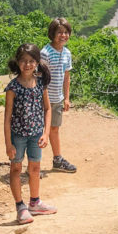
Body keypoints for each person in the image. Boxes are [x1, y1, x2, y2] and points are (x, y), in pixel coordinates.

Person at [4, 43, 57, 223]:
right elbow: (7, 118)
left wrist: (45, 133)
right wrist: (8, 144)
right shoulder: (13, 87)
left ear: (37, 62)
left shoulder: (40, 83)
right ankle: (20, 206)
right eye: (24, 61)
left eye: (31, 61)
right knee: (16, 168)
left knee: (35, 168)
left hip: (36, 134)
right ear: (18, 62)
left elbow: (48, 109)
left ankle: (34, 202)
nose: (27, 65)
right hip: (17, 135)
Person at [40, 17, 76, 173]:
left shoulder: (67, 53)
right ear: (52, 33)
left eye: (66, 32)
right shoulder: (45, 53)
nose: (63, 35)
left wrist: (66, 98)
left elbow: (66, 76)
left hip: (58, 99)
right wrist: (44, 99)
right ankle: (34, 165)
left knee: (54, 129)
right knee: (38, 131)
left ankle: (57, 160)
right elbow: (41, 79)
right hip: (43, 100)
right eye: (60, 32)